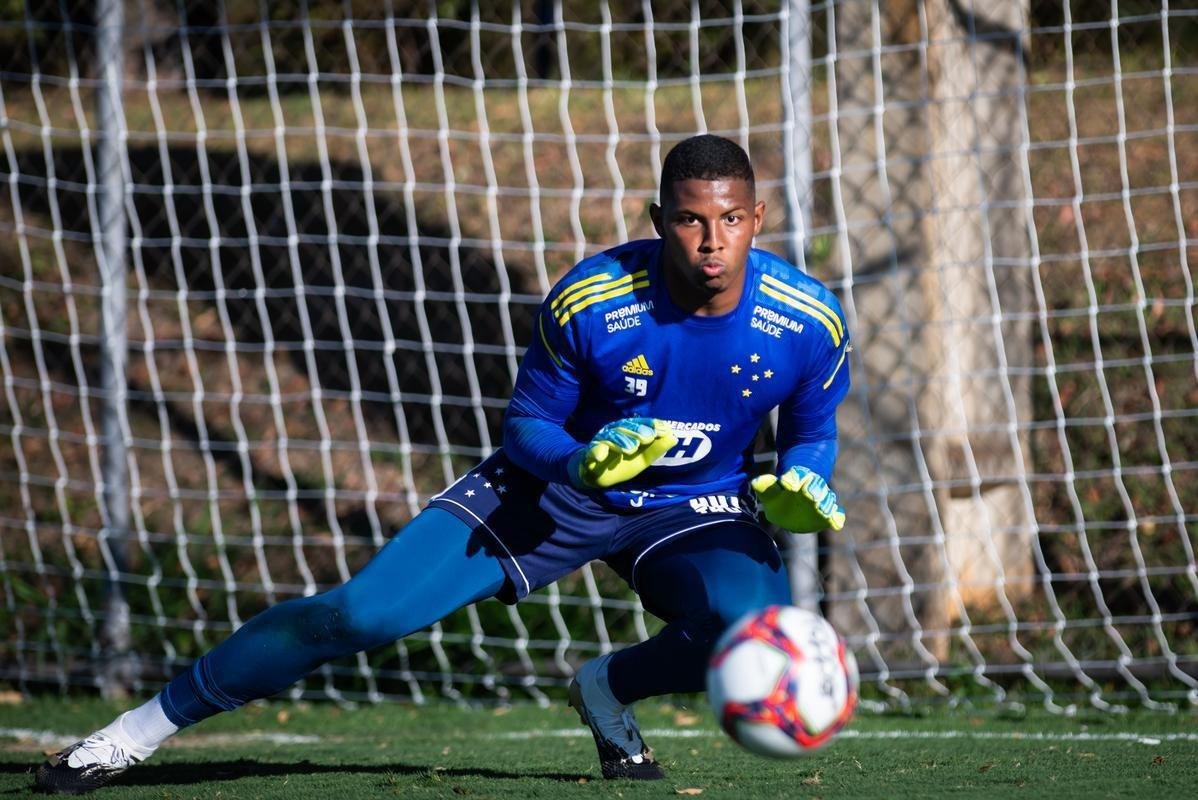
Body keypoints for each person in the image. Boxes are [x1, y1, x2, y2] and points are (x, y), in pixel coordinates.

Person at [35, 134, 850, 794]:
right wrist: (579, 464)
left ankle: (606, 687)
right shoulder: (593, 300)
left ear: (759, 217)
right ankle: (131, 734)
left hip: (694, 505)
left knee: (752, 631)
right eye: (689, 220)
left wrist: (806, 481)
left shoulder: (808, 319)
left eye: (732, 220)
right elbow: (526, 423)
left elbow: (811, 433)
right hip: (552, 493)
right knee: (361, 616)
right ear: (656, 217)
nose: (712, 241)